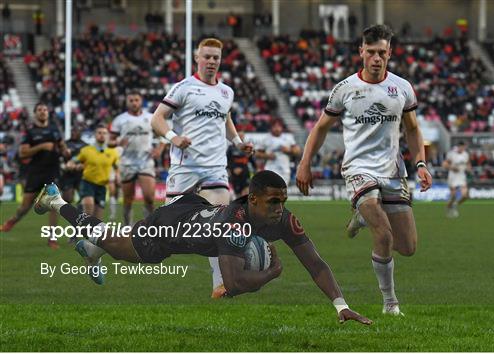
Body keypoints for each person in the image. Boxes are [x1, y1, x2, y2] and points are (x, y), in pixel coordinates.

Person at [34, 170, 372, 326]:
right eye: (273, 202)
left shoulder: (282, 219)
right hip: (168, 228)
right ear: (252, 199)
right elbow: (234, 285)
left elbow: (316, 264)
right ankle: (56, 200)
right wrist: (272, 272)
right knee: (115, 241)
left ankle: (93, 251)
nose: (279, 208)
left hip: (193, 209)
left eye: (282, 201)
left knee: (110, 243)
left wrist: (340, 305)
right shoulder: (235, 223)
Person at [296, 24, 432, 316]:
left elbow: (412, 129)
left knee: (407, 247)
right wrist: (305, 163)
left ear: (390, 54)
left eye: (382, 53)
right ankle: (390, 303)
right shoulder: (345, 89)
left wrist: (420, 163)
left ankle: (360, 216)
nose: (376, 58)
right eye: (370, 52)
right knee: (383, 234)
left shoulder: (402, 88)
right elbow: (320, 128)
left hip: (393, 171)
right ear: (361, 52)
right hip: (359, 169)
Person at [150, 37, 253, 298]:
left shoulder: (226, 92)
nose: (211, 61)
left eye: (215, 58)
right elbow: (157, 118)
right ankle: (98, 247)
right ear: (197, 58)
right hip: (186, 168)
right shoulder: (184, 88)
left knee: (222, 224)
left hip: (216, 169)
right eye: (206, 56)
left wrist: (239, 143)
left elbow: (226, 118)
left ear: (221, 60)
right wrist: (174, 138)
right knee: (163, 231)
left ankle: (220, 286)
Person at [1, 102, 69, 249]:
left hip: (52, 171)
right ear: (35, 113)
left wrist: (65, 151)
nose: (43, 112)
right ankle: (13, 220)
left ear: (48, 113)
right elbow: (22, 153)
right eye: (40, 110)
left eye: (45, 109)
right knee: (25, 207)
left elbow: (62, 146)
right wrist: (41, 147)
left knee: (54, 205)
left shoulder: (54, 130)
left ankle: (52, 238)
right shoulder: (30, 131)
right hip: (35, 173)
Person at [110, 91, 164, 225]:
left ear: (141, 101)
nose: (134, 103)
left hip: (145, 162)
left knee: (149, 197)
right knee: (128, 199)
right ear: (127, 102)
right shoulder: (120, 119)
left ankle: (150, 228)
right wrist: (117, 143)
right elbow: (109, 141)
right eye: (131, 100)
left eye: (136, 100)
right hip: (127, 163)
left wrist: (159, 149)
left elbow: (163, 136)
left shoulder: (151, 118)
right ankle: (128, 226)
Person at [66, 125, 119, 219]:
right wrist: (71, 165)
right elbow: (73, 161)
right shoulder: (86, 150)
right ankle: (80, 229)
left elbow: (117, 166)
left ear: (107, 136)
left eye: (104, 133)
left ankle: (80, 228)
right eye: (99, 133)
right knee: (89, 211)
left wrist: (118, 177)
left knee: (97, 220)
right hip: (88, 184)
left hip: (102, 186)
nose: (102, 135)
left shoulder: (113, 152)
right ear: (95, 135)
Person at [255, 119, 301, 186]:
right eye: (275, 126)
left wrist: (289, 150)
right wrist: (267, 156)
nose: (277, 129)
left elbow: (298, 151)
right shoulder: (266, 139)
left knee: (281, 192)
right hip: (270, 169)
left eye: (279, 126)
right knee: (271, 191)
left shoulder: (288, 138)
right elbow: (256, 154)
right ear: (271, 127)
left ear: (282, 127)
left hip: (284, 170)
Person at [442, 141, 471, 218]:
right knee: (453, 195)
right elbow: (444, 164)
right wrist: (452, 167)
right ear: (458, 146)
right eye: (461, 146)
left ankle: (455, 205)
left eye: (463, 147)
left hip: (461, 176)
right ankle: (448, 207)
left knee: (465, 195)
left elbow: (468, 164)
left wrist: (469, 169)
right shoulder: (452, 154)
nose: (462, 148)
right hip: (453, 176)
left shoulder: (466, 155)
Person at [59, 127, 86, 204]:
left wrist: (81, 166)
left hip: (81, 175)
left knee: (84, 199)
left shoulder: (86, 146)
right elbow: (59, 157)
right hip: (68, 174)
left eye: (76, 131)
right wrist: (63, 165)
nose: (73, 133)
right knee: (67, 198)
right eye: (72, 131)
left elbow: (89, 161)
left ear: (80, 133)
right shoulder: (65, 144)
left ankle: (82, 213)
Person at [227, 131, 256, 199]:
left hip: (245, 173)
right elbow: (227, 161)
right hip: (235, 174)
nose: (241, 137)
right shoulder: (231, 148)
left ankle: (246, 208)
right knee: (237, 194)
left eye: (242, 136)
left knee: (246, 191)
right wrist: (232, 169)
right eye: (239, 136)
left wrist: (256, 169)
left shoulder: (247, 148)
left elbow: (252, 160)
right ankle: (239, 208)